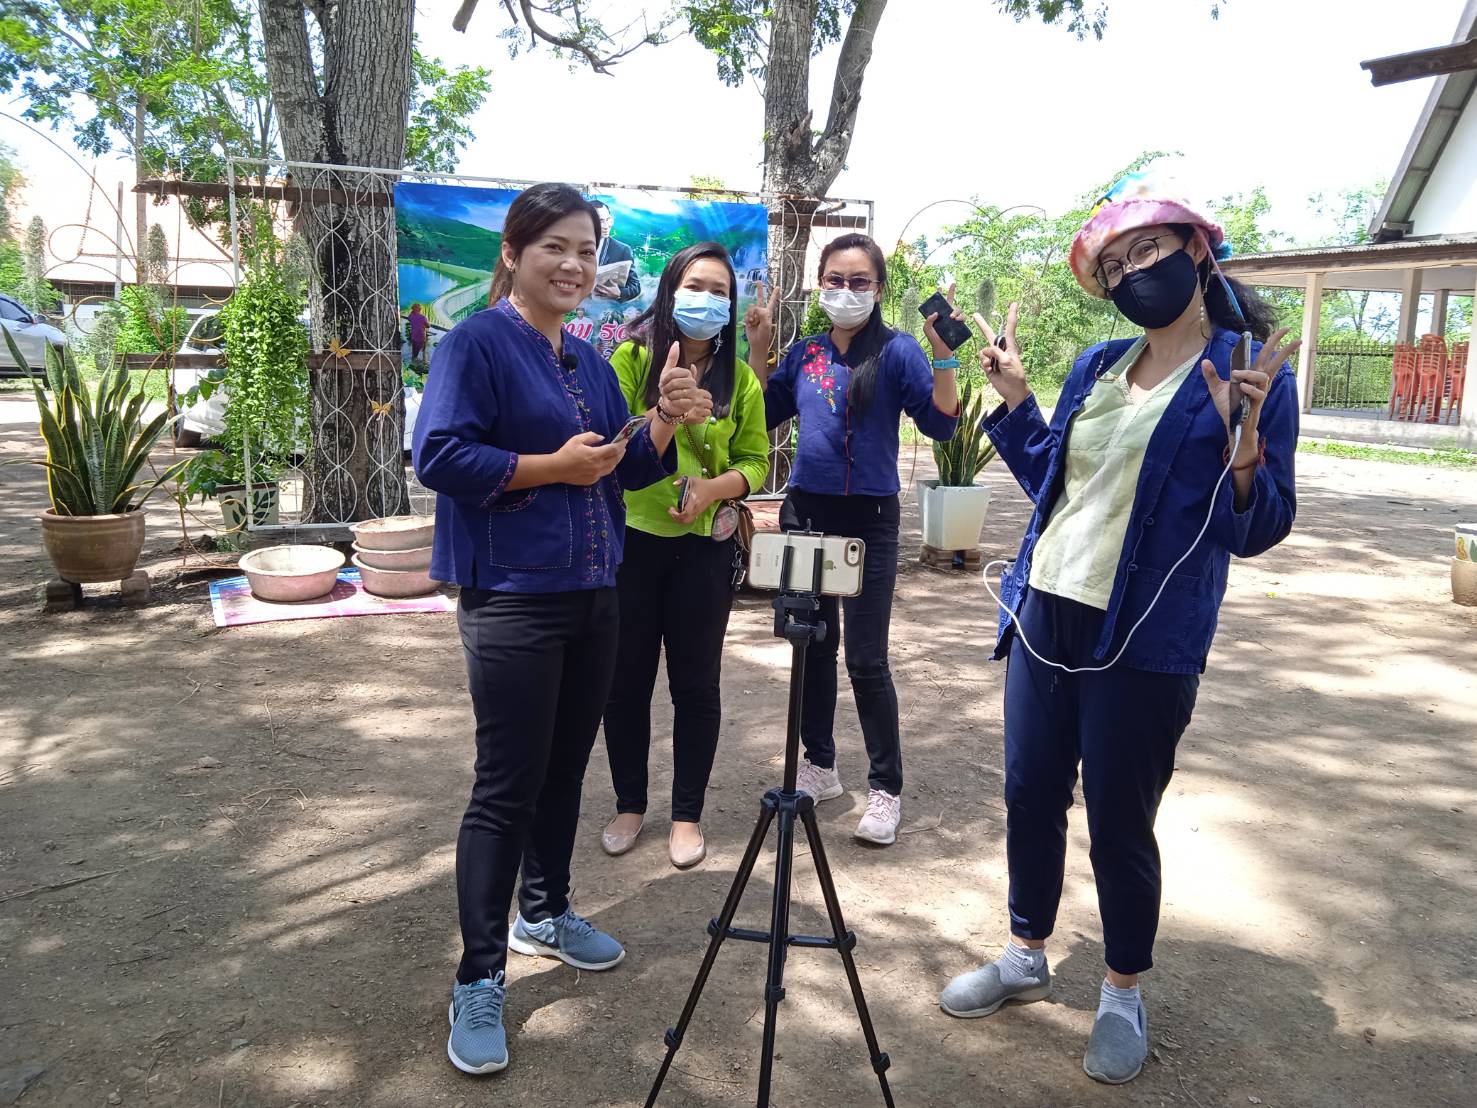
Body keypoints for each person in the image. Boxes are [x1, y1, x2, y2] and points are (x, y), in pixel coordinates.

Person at [938, 174, 1301, 1086]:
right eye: (1115, 261)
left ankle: (1120, 989)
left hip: (1142, 634)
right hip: (1046, 606)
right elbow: (1054, 483)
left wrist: (1245, 454)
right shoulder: (1097, 364)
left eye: (1146, 251)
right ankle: (1025, 953)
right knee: (1027, 790)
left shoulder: (1251, 370)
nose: (1133, 269)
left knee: (1117, 816)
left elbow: (1254, 531)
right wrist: (1017, 400)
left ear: (1196, 253)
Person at [413, 181, 703, 1077]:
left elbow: (617, 467)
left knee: (564, 770)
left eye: (585, 249)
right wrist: (550, 467)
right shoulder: (476, 343)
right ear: (513, 253)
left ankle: (546, 911)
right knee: (505, 785)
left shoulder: (584, 358)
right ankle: (480, 974)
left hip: (593, 590)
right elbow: (439, 456)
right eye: (555, 249)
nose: (574, 265)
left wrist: (663, 415)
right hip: (512, 598)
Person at [755, 232, 963, 846]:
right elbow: (759, 411)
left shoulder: (898, 353)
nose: (846, 292)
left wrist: (945, 356)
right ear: (821, 284)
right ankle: (819, 767)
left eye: (860, 282)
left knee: (866, 658)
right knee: (810, 643)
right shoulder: (807, 353)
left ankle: (885, 790)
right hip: (805, 514)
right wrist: (761, 346)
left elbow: (942, 426)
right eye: (836, 281)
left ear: (878, 288)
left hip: (870, 519)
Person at [600, 244, 771, 869]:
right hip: (635, 544)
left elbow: (756, 460)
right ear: (671, 290)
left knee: (697, 686)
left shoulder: (742, 379)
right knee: (626, 682)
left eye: (721, 291)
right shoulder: (631, 358)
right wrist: (665, 413)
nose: (708, 299)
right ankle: (628, 804)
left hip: (705, 552)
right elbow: (613, 449)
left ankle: (686, 815)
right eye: (696, 285)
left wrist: (712, 490)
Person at [590, 200, 641, 303]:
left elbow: (635, 287)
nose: (606, 226)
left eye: (608, 220)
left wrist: (619, 293)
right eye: (600, 221)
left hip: (604, 309)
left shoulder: (622, 249)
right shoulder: (575, 246)